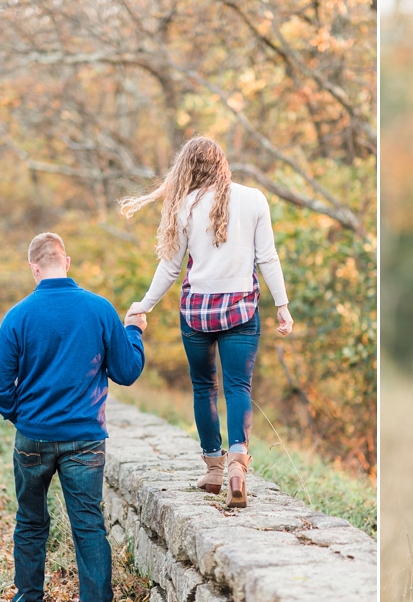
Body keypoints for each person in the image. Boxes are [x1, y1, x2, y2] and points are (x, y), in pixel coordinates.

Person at [0, 232, 147, 602]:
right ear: (67, 261)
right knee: (89, 526)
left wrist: (24, 416)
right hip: (85, 440)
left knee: (31, 521)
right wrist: (133, 331)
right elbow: (126, 372)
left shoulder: (18, 316)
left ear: (34, 268)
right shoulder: (99, 309)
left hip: (33, 439)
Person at [120, 136, 293, 508]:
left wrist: (143, 305)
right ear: (222, 164)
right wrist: (282, 304)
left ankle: (214, 469)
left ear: (187, 168)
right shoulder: (254, 199)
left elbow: (170, 267)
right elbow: (268, 258)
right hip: (241, 310)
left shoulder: (184, 206)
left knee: (203, 388)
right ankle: (237, 464)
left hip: (196, 311)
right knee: (237, 388)